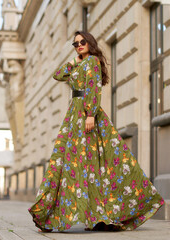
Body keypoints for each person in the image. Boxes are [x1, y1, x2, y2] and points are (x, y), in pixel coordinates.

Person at [28, 30, 164, 232]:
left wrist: (90, 113)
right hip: (73, 115)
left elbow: (93, 87)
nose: (80, 45)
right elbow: (57, 75)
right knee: (74, 163)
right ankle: (91, 215)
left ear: (90, 42)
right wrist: (74, 61)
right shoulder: (79, 63)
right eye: (76, 44)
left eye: (82, 42)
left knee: (88, 163)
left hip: (84, 113)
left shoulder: (92, 62)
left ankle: (100, 213)